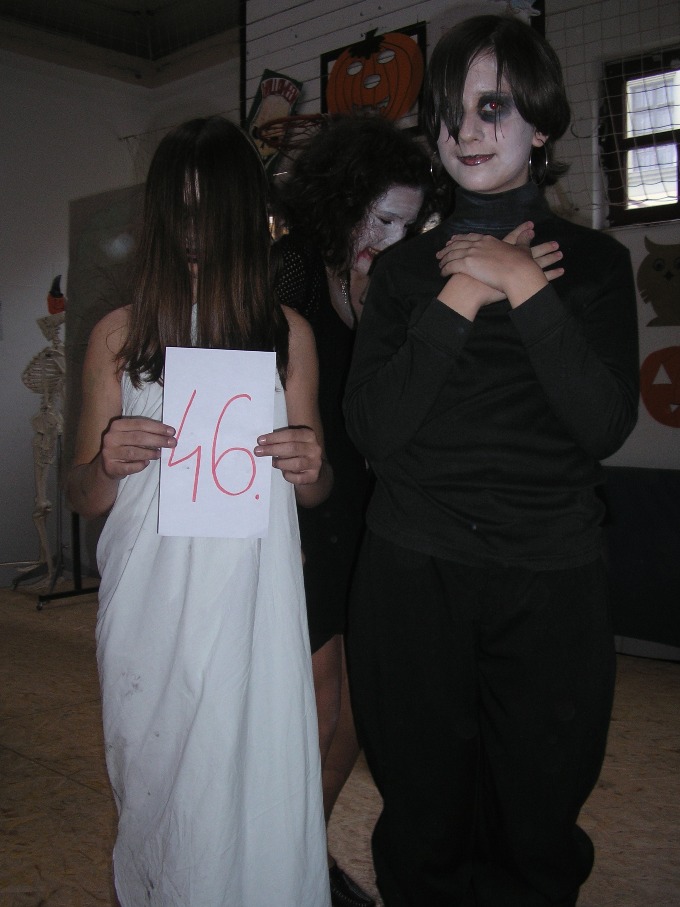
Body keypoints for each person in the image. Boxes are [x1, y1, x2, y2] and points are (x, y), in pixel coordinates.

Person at [343, 15, 639, 907]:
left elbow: (603, 424)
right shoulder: (404, 275)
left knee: (537, 820)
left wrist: (525, 284)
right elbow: (374, 430)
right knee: (423, 816)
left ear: (540, 124)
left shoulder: (594, 265)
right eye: (448, 112)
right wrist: (465, 292)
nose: (464, 130)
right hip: (414, 572)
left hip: (550, 577)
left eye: (493, 107)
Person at [66, 116, 333, 907]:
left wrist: (311, 464)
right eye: (177, 207)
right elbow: (81, 494)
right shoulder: (119, 337)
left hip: (252, 605)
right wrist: (105, 460)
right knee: (158, 792)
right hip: (151, 605)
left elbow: (314, 486)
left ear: (243, 214)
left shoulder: (287, 336)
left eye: (208, 206)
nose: (192, 227)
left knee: (246, 788)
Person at [272, 114, 433, 907]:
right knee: (318, 702)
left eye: (406, 223)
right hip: (297, 504)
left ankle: (303, 852)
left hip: (365, 506)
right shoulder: (292, 270)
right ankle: (279, 869)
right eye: (380, 218)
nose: (390, 237)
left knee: (357, 711)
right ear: (342, 203)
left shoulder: (393, 283)